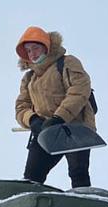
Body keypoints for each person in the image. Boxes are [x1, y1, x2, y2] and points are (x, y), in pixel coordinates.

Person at [15, 26, 96, 188]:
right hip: (44, 131)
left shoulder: (67, 63)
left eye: (36, 48)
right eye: (28, 51)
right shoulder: (29, 77)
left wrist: (59, 117)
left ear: (46, 46)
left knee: (78, 174)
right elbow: (21, 106)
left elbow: (80, 90)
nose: (33, 53)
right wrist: (33, 120)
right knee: (31, 178)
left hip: (73, 127)